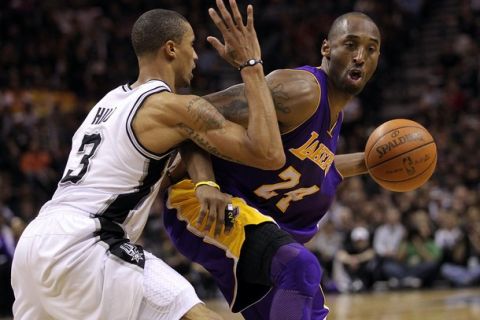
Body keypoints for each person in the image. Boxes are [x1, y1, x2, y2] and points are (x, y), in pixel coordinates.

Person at [11, 1, 285, 319]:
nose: (196, 56)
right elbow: (268, 153)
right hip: (88, 242)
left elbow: (185, 139)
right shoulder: (170, 107)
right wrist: (251, 64)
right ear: (171, 49)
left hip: (34, 243)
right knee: (196, 314)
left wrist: (205, 181)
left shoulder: (108, 103)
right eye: (191, 45)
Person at [163, 11, 381, 320]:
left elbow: (317, 164)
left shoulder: (334, 114)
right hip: (201, 203)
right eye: (350, 44)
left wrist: (369, 162)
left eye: (371, 49)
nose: (360, 56)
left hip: (256, 221)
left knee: (309, 311)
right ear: (326, 49)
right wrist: (205, 183)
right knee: (300, 267)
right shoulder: (301, 90)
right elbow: (191, 115)